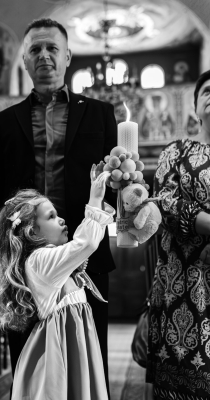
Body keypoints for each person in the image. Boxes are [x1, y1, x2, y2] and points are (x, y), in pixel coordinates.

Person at [0, 17, 117, 390]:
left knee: (88, 357)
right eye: (35, 49)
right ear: (24, 60)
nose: (44, 55)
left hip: (84, 255)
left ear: (68, 56)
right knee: (27, 360)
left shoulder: (99, 113)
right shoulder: (6, 121)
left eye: (52, 47)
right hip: (23, 260)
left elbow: (114, 185)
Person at [0, 166, 114, 400]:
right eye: (51, 217)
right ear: (32, 232)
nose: (61, 219)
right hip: (60, 349)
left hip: (73, 345)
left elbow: (85, 244)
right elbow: (86, 243)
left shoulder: (48, 260)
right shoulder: (40, 261)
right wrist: (95, 198)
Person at [147, 69, 210, 399]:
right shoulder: (176, 152)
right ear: (195, 106)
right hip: (184, 281)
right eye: (207, 90)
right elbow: (164, 202)